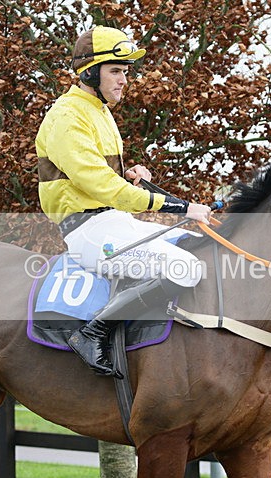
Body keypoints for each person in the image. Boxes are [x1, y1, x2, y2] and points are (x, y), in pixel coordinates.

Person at [36, 26, 211, 377]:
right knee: (186, 268)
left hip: (113, 221)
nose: (124, 80)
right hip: (89, 232)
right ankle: (92, 333)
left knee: (194, 243)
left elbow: (104, 179)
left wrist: (130, 175)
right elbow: (102, 186)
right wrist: (182, 207)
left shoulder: (98, 111)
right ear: (89, 72)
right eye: (115, 71)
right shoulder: (68, 115)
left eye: (126, 72)